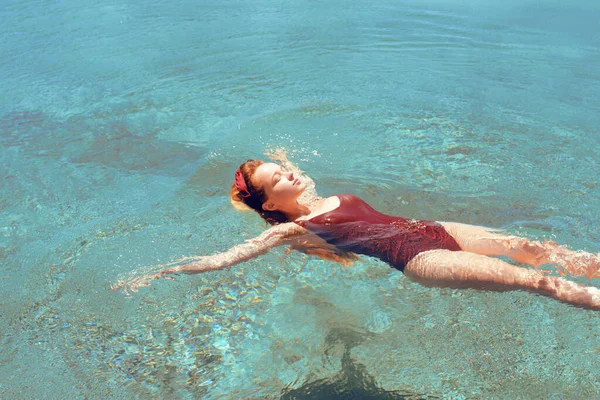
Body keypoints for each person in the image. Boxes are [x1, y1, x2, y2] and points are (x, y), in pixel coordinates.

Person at [115, 149, 600, 310]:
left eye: (281, 168)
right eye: (274, 178)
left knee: (531, 247)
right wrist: (164, 272)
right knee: (535, 280)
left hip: (431, 228)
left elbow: (289, 167)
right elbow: (228, 256)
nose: (286, 173)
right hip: (421, 258)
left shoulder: (314, 191)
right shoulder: (292, 230)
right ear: (269, 203)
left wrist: (276, 159)